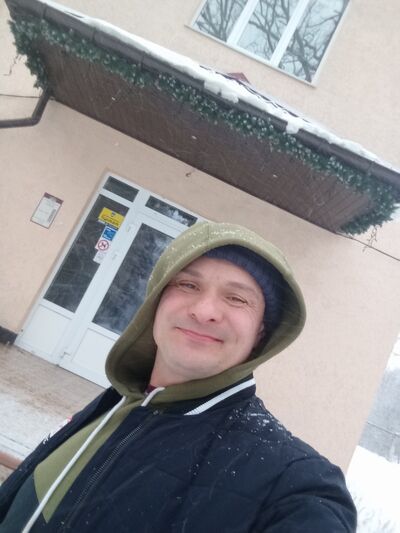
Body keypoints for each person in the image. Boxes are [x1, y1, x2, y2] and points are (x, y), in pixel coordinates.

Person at [0, 221, 357, 532]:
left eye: (236, 298)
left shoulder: (293, 483)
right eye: (187, 285)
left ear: (261, 332)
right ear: (156, 303)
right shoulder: (118, 403)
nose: (204, 311)